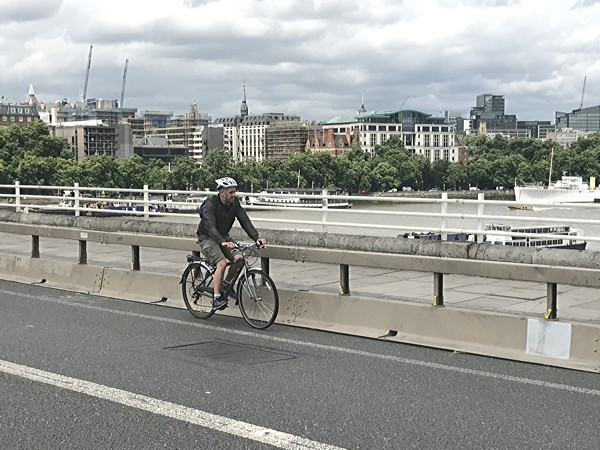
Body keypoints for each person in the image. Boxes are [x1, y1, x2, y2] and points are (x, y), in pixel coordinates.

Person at [196, 177, 267, 310]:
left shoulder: (234, 204)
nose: (234, 194)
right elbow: (210, 226)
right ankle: (216, 298)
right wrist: (222, 242)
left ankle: (226, 285)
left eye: (235, 192)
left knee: (239, 259)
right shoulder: (211, 203)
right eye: (231, 192)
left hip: (223, 236)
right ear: (222, 192)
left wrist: (256, 237)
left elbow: (244, 220)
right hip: (207, 236)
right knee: (221, 263)